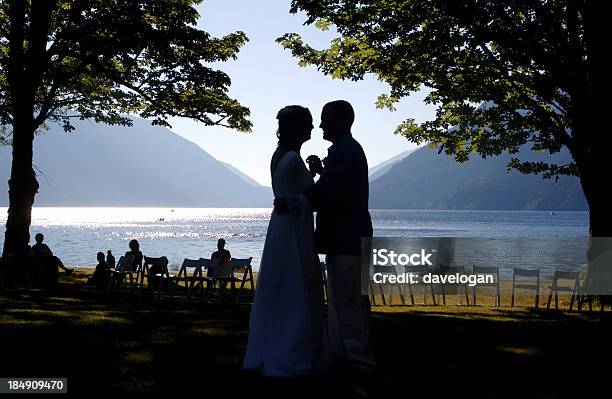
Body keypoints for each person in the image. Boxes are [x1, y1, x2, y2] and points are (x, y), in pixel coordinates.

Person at [276, 100, 376, 373]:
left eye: (325, 120)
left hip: (347, 238)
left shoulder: (346, 152)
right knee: (346, 300)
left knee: (348, 302)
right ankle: (344, 356)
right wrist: (320, 174)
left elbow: (331, 194)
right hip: (350, 237)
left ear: (342, 121)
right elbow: (336, 186)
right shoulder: (347, 151)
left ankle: (359, 360)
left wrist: (295, 200)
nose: (320, 125)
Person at [243, 105, 329, 377]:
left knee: (279, 285)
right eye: (308, 124)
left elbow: (292, 191)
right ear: (298, 128)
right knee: (296, 285)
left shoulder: (279, 156)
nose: (313, 128)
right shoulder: (293, 159)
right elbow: (314, 198)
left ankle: (271, 345)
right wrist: (321, 172)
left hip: (281, 227)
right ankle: (291, 351)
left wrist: (307, 181)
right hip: (293, 230)